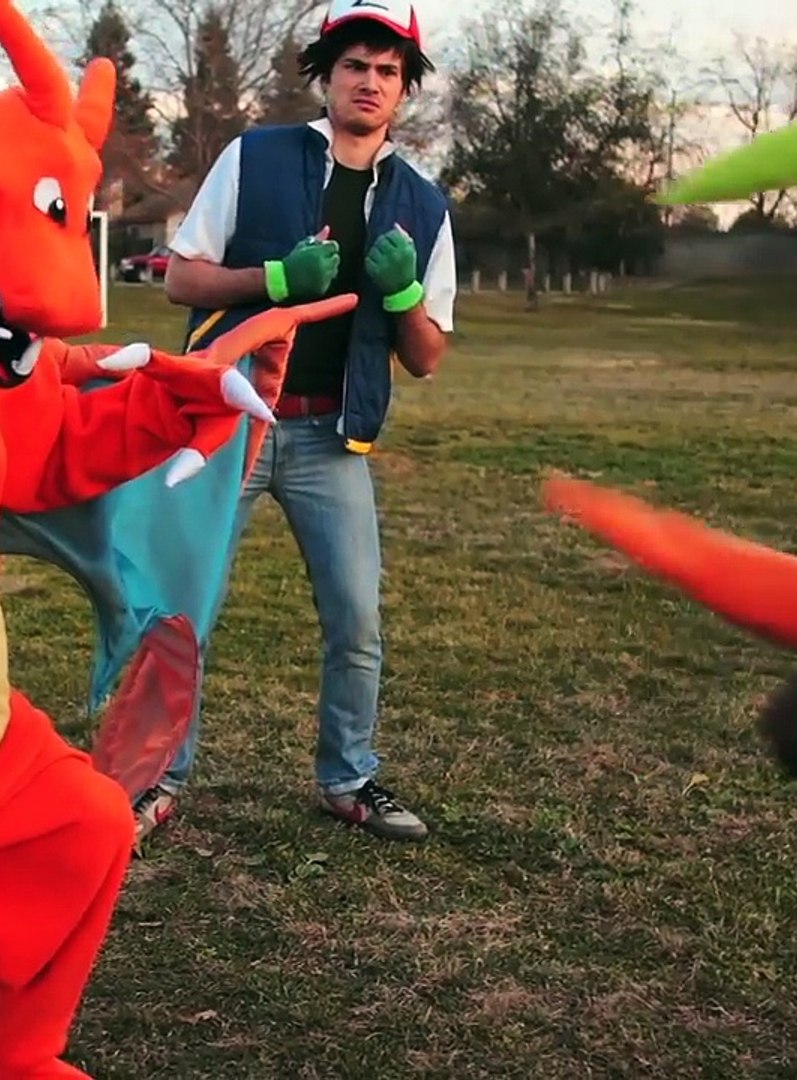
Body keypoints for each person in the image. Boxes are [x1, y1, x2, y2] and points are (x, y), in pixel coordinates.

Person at [136, 0, 457, 845]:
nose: (370, 82)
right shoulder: (257, 157)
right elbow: (180, 280)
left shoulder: (423, 204)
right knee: (181, 612)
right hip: (230, 425)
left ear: (404, 88)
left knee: (357, 622)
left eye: (388, 70)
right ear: (326, 76)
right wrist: (274, 280)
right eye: (355, 65)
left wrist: (404, 292)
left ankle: (347, 779)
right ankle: (155, 779)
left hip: (330, 438)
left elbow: (427, 355)